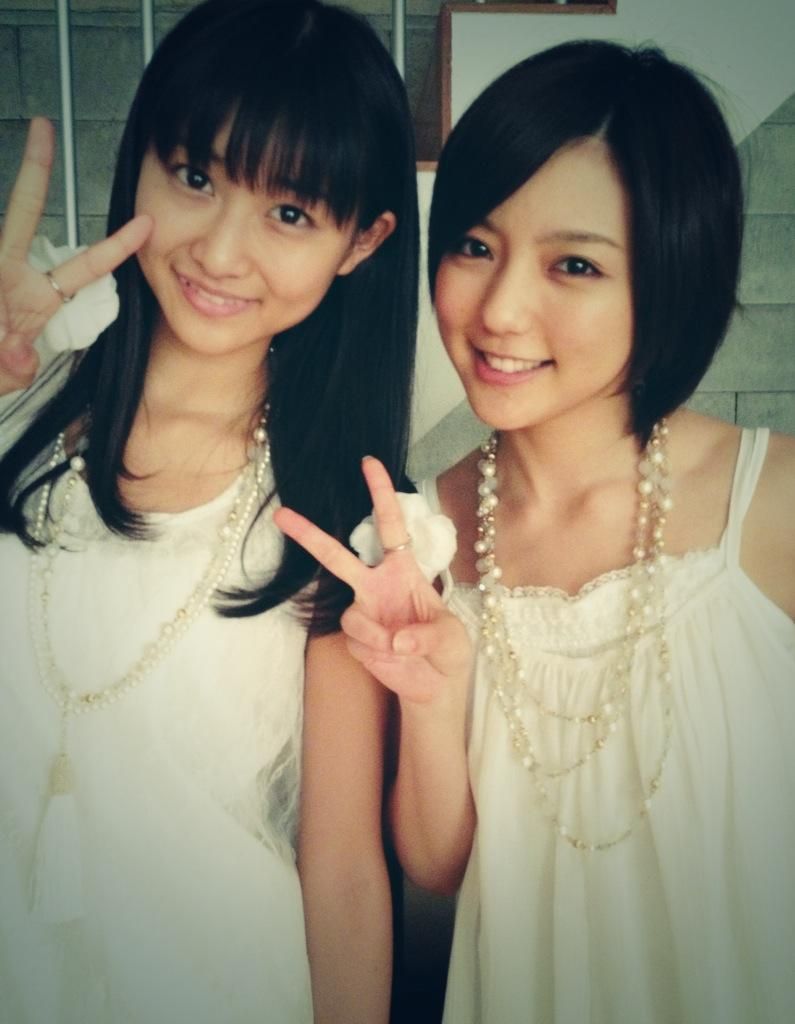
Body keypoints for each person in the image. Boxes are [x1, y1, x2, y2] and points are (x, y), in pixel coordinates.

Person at [276, 39, 795, 1024]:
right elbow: (439, 866)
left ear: (671, 276)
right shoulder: (416, 541)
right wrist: (433, 701)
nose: (501, 309)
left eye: (574, 264)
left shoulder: (772, 502)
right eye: (475, 246)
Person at [0, 1, 418, 1021]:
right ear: (140, 160)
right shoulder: (18, 399)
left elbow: (342, 872)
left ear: (361, 242)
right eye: (195, 176)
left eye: (291, 213)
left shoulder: (345, 519)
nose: (221, 251)